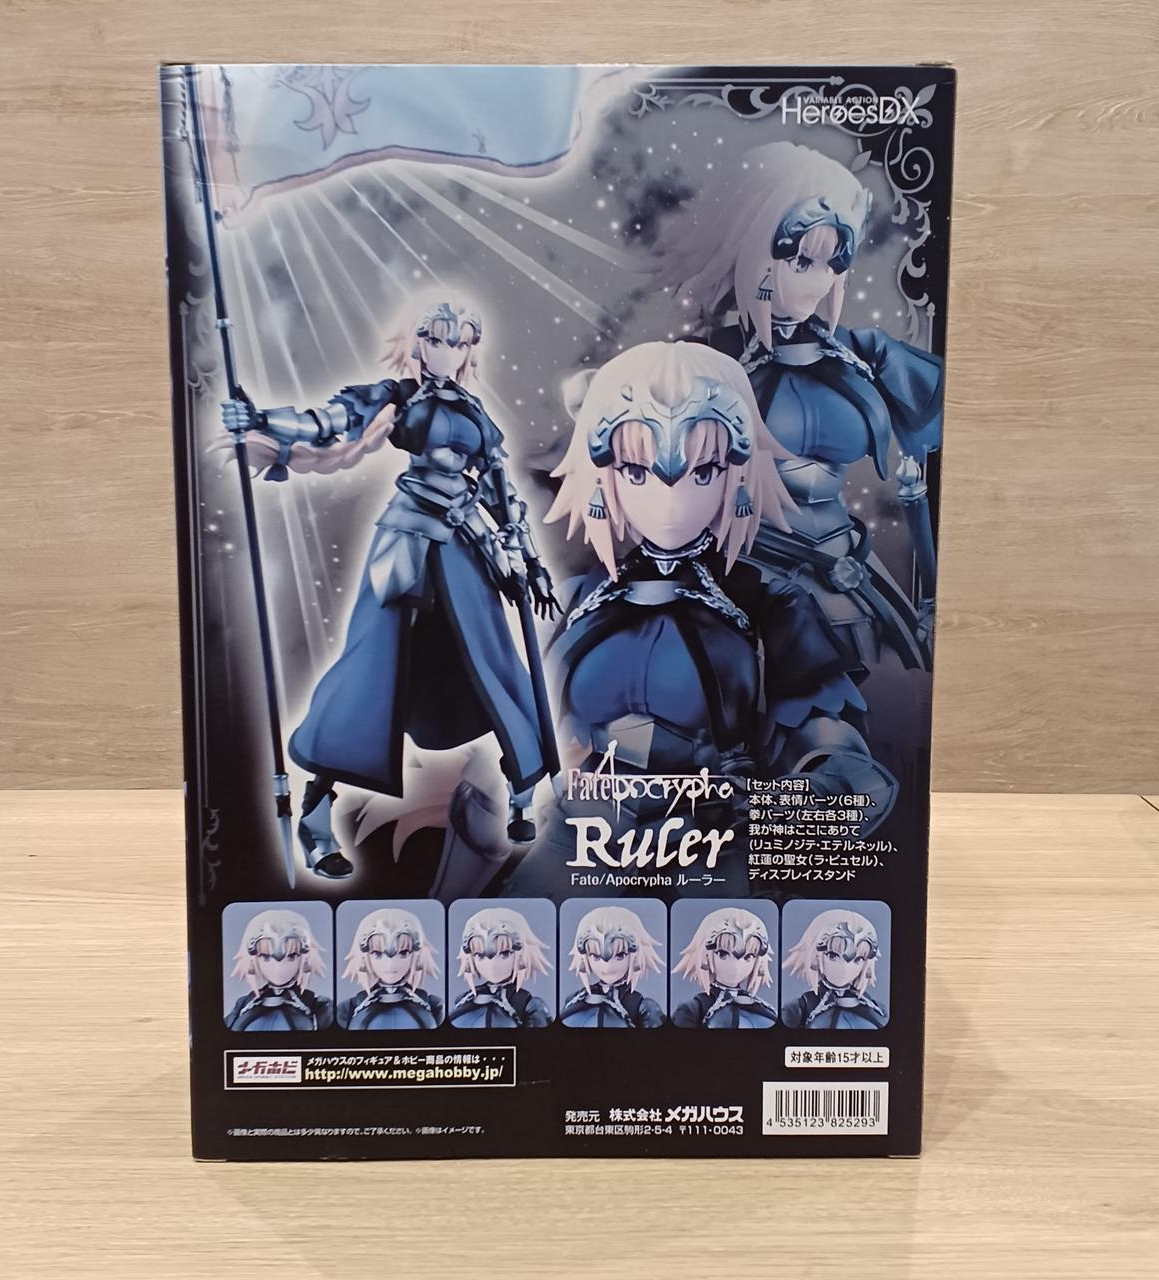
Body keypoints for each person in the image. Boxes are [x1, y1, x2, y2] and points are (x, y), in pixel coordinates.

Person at [505, 341, 896, 901]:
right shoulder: (577, 601)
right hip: (582, 834)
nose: (670, 501)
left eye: (704, 470)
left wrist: (772, 807)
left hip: (708, 846)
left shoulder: (769, 603)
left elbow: (839, 761)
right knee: (518, 936)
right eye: (636, 470)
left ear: (738, 474)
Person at [220, 298, 559, 879]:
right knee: (369, 671)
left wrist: (529, 559)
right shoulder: (399, 398)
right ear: (418, 341)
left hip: (467, 545)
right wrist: (260, 419)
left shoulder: (475, 410)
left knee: (494, 663)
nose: (448, 352)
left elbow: (501, 490)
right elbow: (328, 420)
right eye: (437, 339)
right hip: (407, 540)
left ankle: (522, 794)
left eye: (460, 342)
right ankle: (316, 817)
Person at [655, 141, 943, 670]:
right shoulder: (702, 362)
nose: (819, 281)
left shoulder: (863, 354)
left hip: (848, 570)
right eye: (801, 260)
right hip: (744, 574)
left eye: (834, 262)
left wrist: (930, 589)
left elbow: (925, 471)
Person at [224, 908, 333, 1031]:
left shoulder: (319, 1007)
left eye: (291, 956)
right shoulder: (244, 1004)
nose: (278, 967)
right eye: (266, 957)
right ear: (253, 959)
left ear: (304, 958)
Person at [336, 907, 444, 1030]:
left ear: (416, 956)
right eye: (377, 953)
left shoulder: (435, 1006)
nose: (390, 964)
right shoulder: (348, 1009)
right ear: (364, 957)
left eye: (403, 953)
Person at [780, 907, 888, 1030]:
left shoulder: (878, 1011)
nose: (845, 968)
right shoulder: (799, 1009)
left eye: (858, 959)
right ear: (816, 956)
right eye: (833, 956)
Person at [559, 905, 665, 1028]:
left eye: (620, 955)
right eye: (595, 956)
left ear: (635, 956)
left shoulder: (643, 1007)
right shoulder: (574, 1000)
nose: (607, 968)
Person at [672, 906, 776, 1029]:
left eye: (748, 957)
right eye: (723, 954)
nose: (737, 966)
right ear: (706, 955)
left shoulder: (764, 1010)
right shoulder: (693, 1009)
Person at [449, 906, 553, 1028]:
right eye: (479, 955)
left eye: (505, 953)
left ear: (521, 955)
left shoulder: (528, 1004)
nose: (491, 964)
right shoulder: (464, 1000)